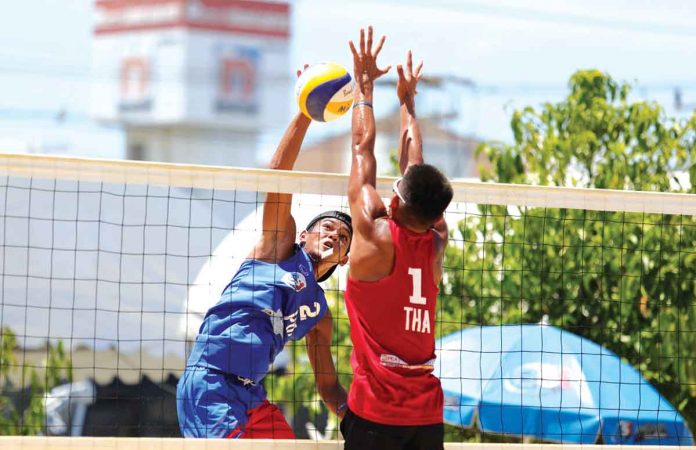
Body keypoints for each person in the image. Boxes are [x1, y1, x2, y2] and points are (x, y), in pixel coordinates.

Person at [177, 66, 351, 439]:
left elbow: (329, 388)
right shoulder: (277, 246)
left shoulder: (320, 313)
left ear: (345, 258)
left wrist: (356, 418)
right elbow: (277, 174)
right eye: (327, 227)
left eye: (343, 236)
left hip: (251, 394)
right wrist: (306, 113)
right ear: (304, 235)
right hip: (212, 384)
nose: (335, 235)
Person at [341, 27, 453, 450]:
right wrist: (408, 104)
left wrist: (365, 87)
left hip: (376, 414)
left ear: (400, 203)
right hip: (426, 418)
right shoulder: (437, 239)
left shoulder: (373, 230)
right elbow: (416, 165)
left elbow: (361, 149)